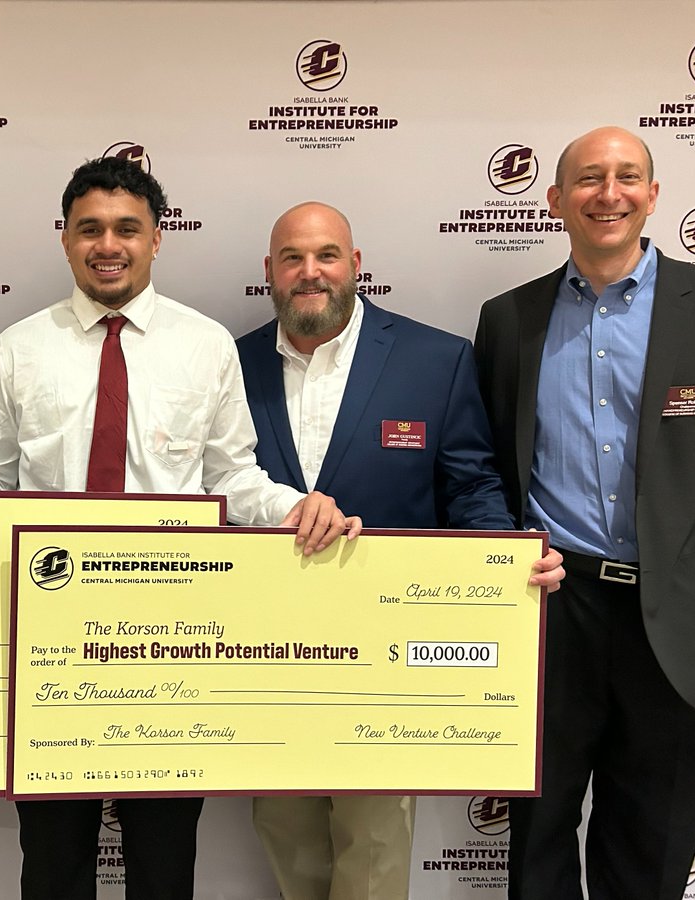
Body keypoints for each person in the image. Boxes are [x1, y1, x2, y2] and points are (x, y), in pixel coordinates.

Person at [0, 159, 360, 899]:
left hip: (170, 640)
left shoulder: (205, 345)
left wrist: (297, 506)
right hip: (49, 640)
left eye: (127, 228)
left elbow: (229, 479)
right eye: (89, 228)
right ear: (64, 239)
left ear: (157, 239)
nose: (108, 244)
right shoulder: (21, 346)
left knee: (163, 865)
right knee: (54, 861)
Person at [474, 126, 695, 900]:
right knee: (536, 848)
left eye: (626, 177)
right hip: (551, 613)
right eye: (587, 178)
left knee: (649, 860)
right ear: (554, 201)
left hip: (683, 623)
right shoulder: (509, 320)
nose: (607, 193)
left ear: (652, 195)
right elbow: (486, 466)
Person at [238, 201, 564, 900]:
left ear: (356, 266)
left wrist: (506, 558)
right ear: (270, 272)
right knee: (287, 839)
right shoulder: (231, 364)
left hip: (386, 658)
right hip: (264, 656)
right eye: (292, 258)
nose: (310, 272)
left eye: (327, 255)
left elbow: (470, 485)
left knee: (377, 847)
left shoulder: (435, 359)